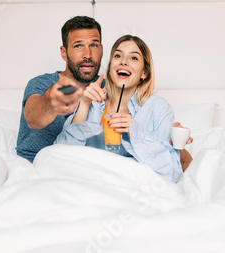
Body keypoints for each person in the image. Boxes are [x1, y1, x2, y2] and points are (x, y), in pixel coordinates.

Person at [54, 35, 186, 182]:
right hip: (92, 184)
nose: (124, 61)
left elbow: (171, 172)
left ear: (144, 73)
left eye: (134, 58)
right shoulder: (92, 103)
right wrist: (84, 105)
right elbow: (60, 158)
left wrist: (134, 132)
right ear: (111, 67)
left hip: (134, 188)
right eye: (118, 56)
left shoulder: (159, 108)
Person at [16, 16, 103, 162]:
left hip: (85, 170)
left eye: (94, 45)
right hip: (36, 168)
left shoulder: (108, 88)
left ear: (101, 49)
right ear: (64, 53)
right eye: (78, 46)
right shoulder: (42, 84)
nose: (88, 55)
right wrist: (51, 101)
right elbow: (33, 118)